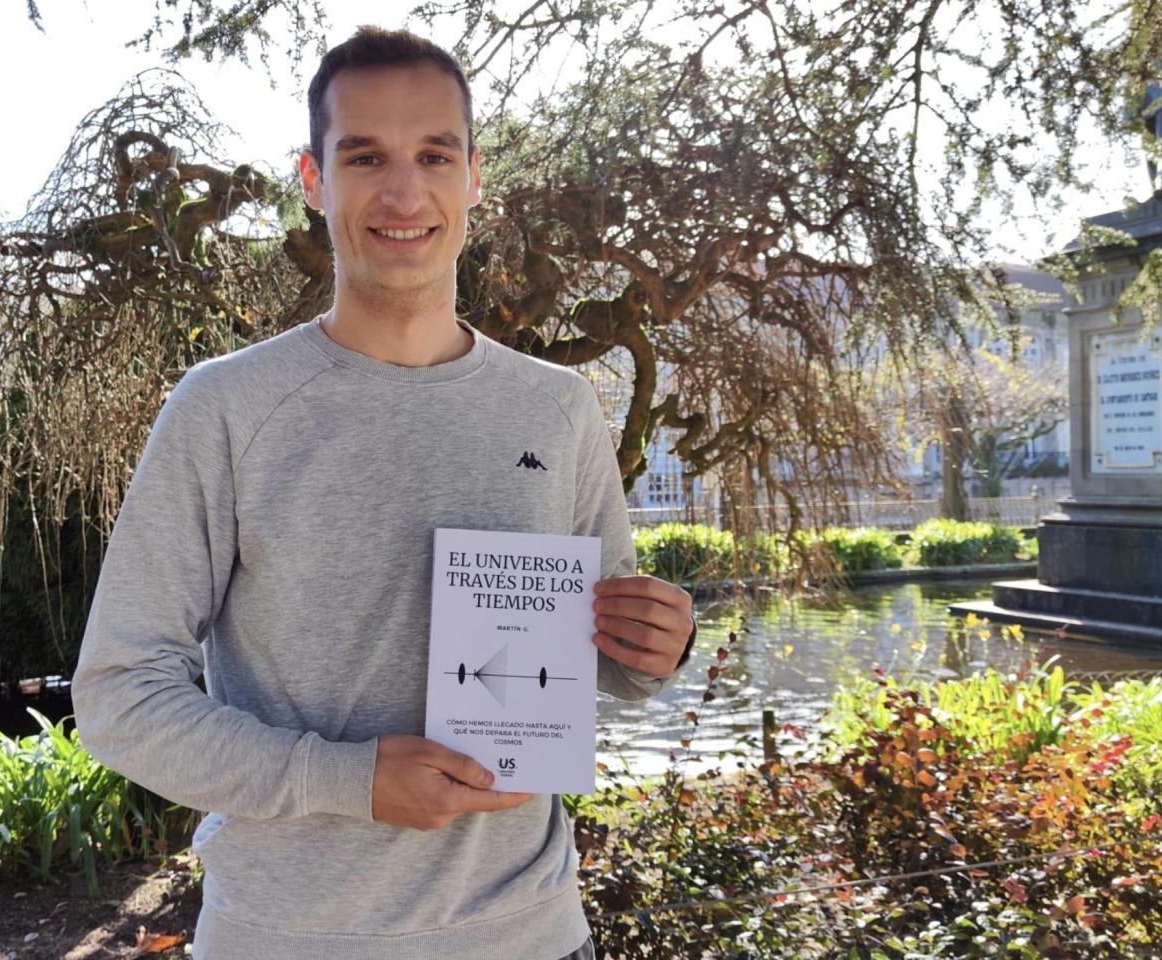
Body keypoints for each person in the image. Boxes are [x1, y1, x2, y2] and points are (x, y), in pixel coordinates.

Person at [71, 25, 696, 960]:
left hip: (533, 937)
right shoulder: (226, 410)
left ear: (474, 177)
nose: (404, 192)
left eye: (433, 155)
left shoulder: (560, 409)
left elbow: (600, 667)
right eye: (365, 156)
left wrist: (659, 647)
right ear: (313, 179)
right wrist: (349, 779)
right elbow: (120, 700)